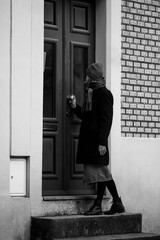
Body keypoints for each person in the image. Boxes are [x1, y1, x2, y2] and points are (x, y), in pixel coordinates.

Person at [67, 63, 125, 215]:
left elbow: (106, 121)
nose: (85, 79)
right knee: (100, 174)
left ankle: (113, 202)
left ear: (93, 78)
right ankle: (104, 204)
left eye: (87, 76)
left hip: (97, 142)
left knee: (101, 172)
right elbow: (86, 117)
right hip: (89, 141)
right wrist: (74, 107)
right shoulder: (91, 93)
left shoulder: (105, 94)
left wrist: (101, 142)